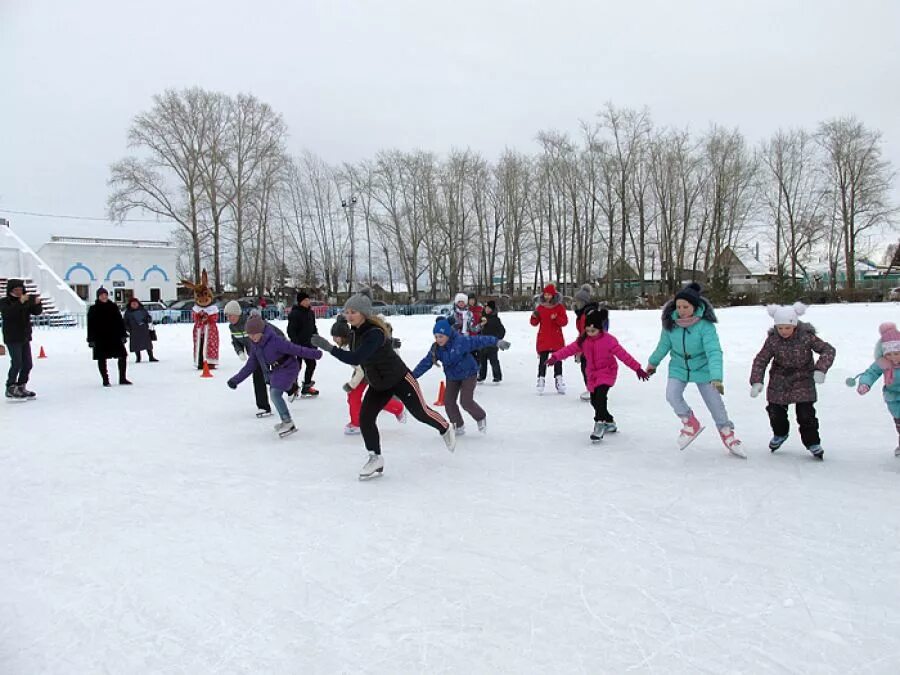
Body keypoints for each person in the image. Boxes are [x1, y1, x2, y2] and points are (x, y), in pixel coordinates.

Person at [311, 288, 456, 479]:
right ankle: (375, 458)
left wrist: (329, 348)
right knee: (365, 418)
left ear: (363, 313)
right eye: (347, 311)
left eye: (353, 312)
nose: (349, 315)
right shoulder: (354, 332)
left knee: (420, 413)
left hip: (400, 379)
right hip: (378, 384)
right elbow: (357, 359)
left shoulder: (375, 333)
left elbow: (357, 356)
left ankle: (445, 427)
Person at [646, 282, 744, 457]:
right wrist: (653, 363)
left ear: (695, 306)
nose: (681, 310)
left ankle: (727, 433)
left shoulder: (705, 326)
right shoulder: (671, 324)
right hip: (678, 367)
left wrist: (716, 377)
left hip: (703, 368)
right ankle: (690, 422)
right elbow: (663, 346)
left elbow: (714, 352)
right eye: (678, 306)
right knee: (672, 395)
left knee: (715, 403)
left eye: (686, 306)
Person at [749, 302, 835, 459]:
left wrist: (820, 369)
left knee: (806, 414)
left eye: (787, 328)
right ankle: (780, 433)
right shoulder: (773, 340)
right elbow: (761, 360)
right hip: (779, 380)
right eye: (780, 328)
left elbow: (828, 350)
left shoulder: (806, 337)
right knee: (775, 412)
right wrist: (756, 381)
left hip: (803, 378)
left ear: (795, 325)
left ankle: (812, 443)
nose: (783, 331)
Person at [549, 307, 649, 441]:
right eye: (588, 330)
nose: (590, 333)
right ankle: (609, 422)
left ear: (600, 329)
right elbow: (569, 349)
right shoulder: (583, 340)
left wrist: (637, 368)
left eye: (593, 331)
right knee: (595, 401)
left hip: (607, 372)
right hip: (592, 373)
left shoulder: (609, 341)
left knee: (601, 397)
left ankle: (599, 423)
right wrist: (556, 357)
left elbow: (624, 356)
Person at [226, 314, 322, 438]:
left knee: (275, 394)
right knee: (274, 392)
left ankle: (288, 422)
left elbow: (296, 349)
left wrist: (315, 354)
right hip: (277, 369)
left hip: (289, 367)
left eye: (255, 334)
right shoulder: (255, 346)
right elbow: (249, 366)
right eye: (250, 335)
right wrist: (235, 380)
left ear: (261, 331)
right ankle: (285, 417)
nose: (252, 337)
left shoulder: (275, 341)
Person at [412, 318, 510, 436]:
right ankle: (458, 425)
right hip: (452, 377)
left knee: (466, 401)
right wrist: (412, 376)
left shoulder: (461, 341)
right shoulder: (436, 349)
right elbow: (426, 363)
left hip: (468, 374)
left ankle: (480, 417)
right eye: (436, 336)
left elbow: (479, 340)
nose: (438, 340)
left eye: (441, 336)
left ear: (448, 334)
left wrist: (496, 341)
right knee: (448, 402)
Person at [331, 315, 406, 435]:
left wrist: (351, 385)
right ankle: (397, 408)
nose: (334, 339)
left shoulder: (351, 346)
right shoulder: (352, 340)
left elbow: (360, 369)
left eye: (336, 337)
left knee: (356, 396)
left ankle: (357, 424)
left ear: (343, 336)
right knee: (368, 398)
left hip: (369, 370)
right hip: (364, 369)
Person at [224, 301, 286, 418]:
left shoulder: (251, 322)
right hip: (255, 356)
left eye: (231, 315)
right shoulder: (232, 327)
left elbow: (271, 329)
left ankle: (292, 388)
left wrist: (282, 341)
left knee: (276, 375)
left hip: (269, 352)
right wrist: (240, 351)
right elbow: (236, 341)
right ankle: (263, 406)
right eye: (227, 315)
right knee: (258, 378)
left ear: (237, 314)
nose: (229, 318)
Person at [849, 322, 900, 457]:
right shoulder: (883, 363)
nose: (893, 358)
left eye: (897, 353)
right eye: (889, 354)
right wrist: (865, 384)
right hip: (893, 398)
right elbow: (871, 373)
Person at [0, 278, 43, 399]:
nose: (19, 291)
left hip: (24, 337)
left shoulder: (25, 301)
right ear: (11, 290)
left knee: (28, 364)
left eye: (20, 289)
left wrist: (37, 303)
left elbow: (36, 312)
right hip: (12, 337)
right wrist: (20, 302)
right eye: (16, 289)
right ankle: (10, 386)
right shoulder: (5, 302)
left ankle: (21, 385)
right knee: (17, 362)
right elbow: (9, 313)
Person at [87, 287, 131, 387]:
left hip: (114, 336)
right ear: (98, 297)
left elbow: (120, 322)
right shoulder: (93, 309)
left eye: (105, 294)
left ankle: (122, 378)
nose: (104, 296)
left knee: (123, 356)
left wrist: (123, 334)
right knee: (102, 358)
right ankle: (105, 380)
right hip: (100, 338)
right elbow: (90, 325)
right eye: (101, 295)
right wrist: (91, 339)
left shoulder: (113, 307)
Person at [530, 283, 569, 394]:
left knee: (557, 360)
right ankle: (541, 379)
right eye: (545, 294)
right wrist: (533, 317)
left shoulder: (559, 307)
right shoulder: (540, 308)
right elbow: (534, 323)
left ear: (553, 295)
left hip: (556, 338)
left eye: (549, 295)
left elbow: (564, 322)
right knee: (543, 361)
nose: (547, 297)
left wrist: (556, 318)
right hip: (544, 338)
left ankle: (559, 380)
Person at [287, 291, 319, 398]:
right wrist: (296, 345)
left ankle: (306, 386)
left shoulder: (310, 313)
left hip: (309, 344)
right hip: (298, 345)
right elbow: (291, 331)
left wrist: (316, 339)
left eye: (308, 299)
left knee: (311, 364)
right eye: (305, 300)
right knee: (297, 366)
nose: (307, 302)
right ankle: (293, 387)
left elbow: (313, 328)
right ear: (300, 302)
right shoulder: (295, 313)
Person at [572, 283, 600, 401]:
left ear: (583, 301)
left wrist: (579, 350)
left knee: (587, 367)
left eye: (577, 300)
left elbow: (585, 333)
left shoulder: (586, 314)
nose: (575, 302)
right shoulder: (583, 313)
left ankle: (593, 389)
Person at [477, 300, 506, 383]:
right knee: (482, 361)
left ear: (492, 310)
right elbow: (477, 328)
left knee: (494, 361)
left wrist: (497, 339)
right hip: (482, 343)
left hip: (492, 344)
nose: (487, 309)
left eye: (489, 308)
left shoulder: (496, 319)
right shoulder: (482, 318)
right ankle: (482, 376)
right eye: (486, 307)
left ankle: (497, 376)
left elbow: (502, 330)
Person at [123, 297, 158, 363]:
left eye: (135, 303)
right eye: (133, 304)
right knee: (136, 345)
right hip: (134, 331)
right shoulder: (128, 313)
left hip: (144, 330)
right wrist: (129, 329)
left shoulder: (143, 310)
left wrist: (148, 320)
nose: (134, 305)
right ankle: (138, 358)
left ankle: (151, 356)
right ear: (130, 305)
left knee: (148, 344)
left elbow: (148, 317)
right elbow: (125, 322)